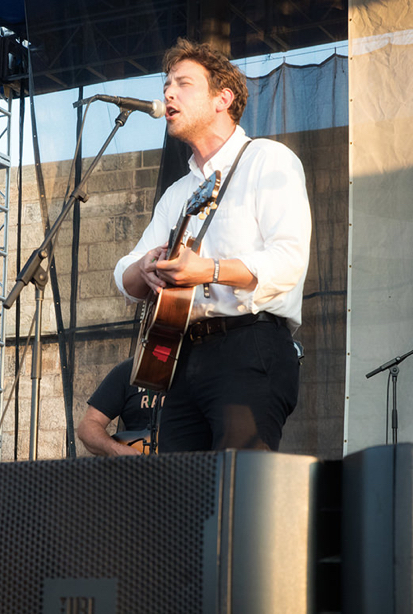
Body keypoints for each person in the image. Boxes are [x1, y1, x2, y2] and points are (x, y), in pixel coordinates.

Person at [114, 39, 311, 453]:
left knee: (240, 495)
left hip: (250, 346)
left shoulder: (267, 160)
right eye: (166, 84)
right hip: (182, 358)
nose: (168, 93)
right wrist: (146, 266)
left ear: (223, 98)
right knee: (180, 498)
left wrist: (209, 271)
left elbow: (287, 262)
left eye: (183, 84)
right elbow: (126, 274)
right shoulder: (178, 193)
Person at [77, 358, 164, 457]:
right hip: (138, 467)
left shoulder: (185, 372)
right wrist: (114, 448)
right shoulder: (128, 370)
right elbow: (88, 426)